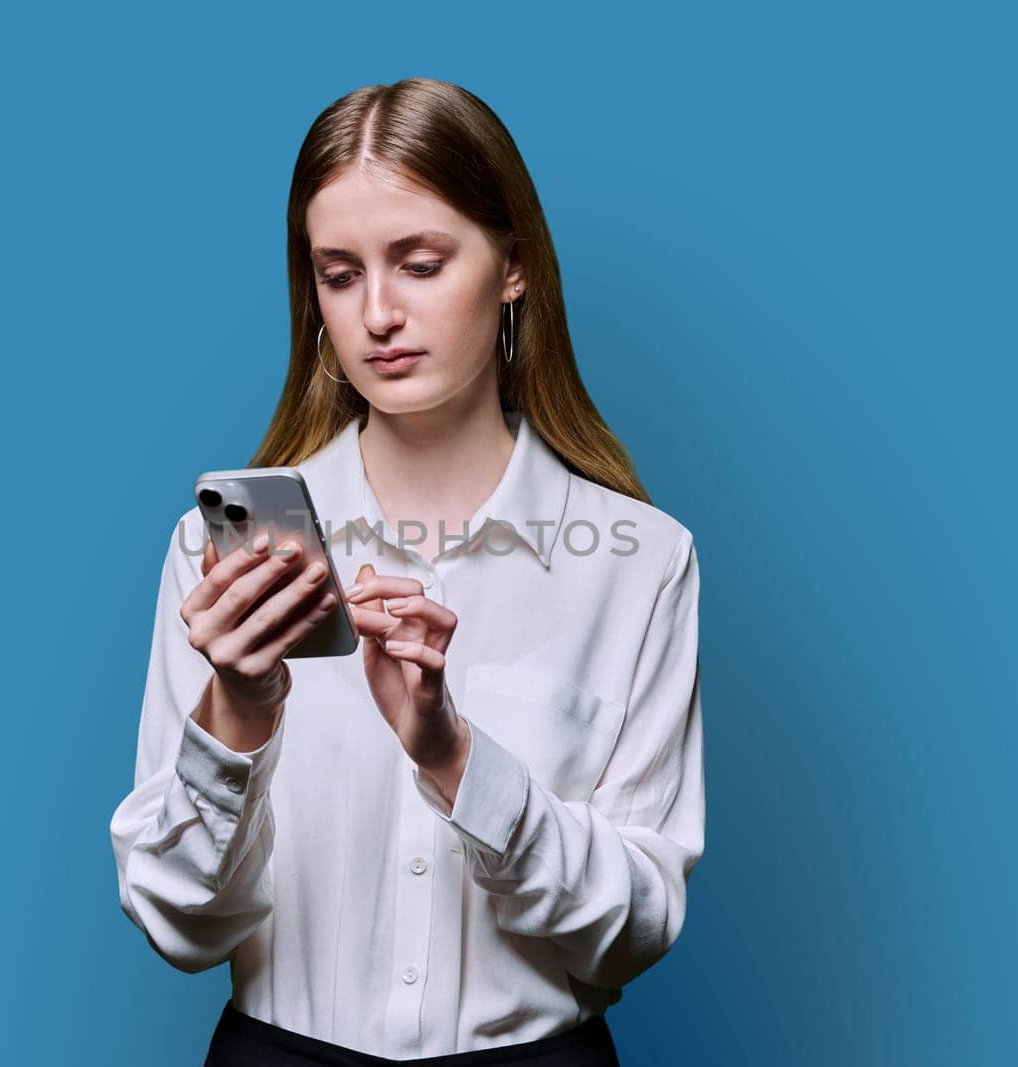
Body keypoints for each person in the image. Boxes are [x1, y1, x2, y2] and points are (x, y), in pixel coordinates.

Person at [109, 77, 704, 1065]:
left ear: (512, 268)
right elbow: (176, 923)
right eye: (338, 274)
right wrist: (240, 711)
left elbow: (637, 928)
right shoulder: (224, 555)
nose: (378, 312)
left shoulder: (641, 562)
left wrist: (452, 756)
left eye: (419, 263)